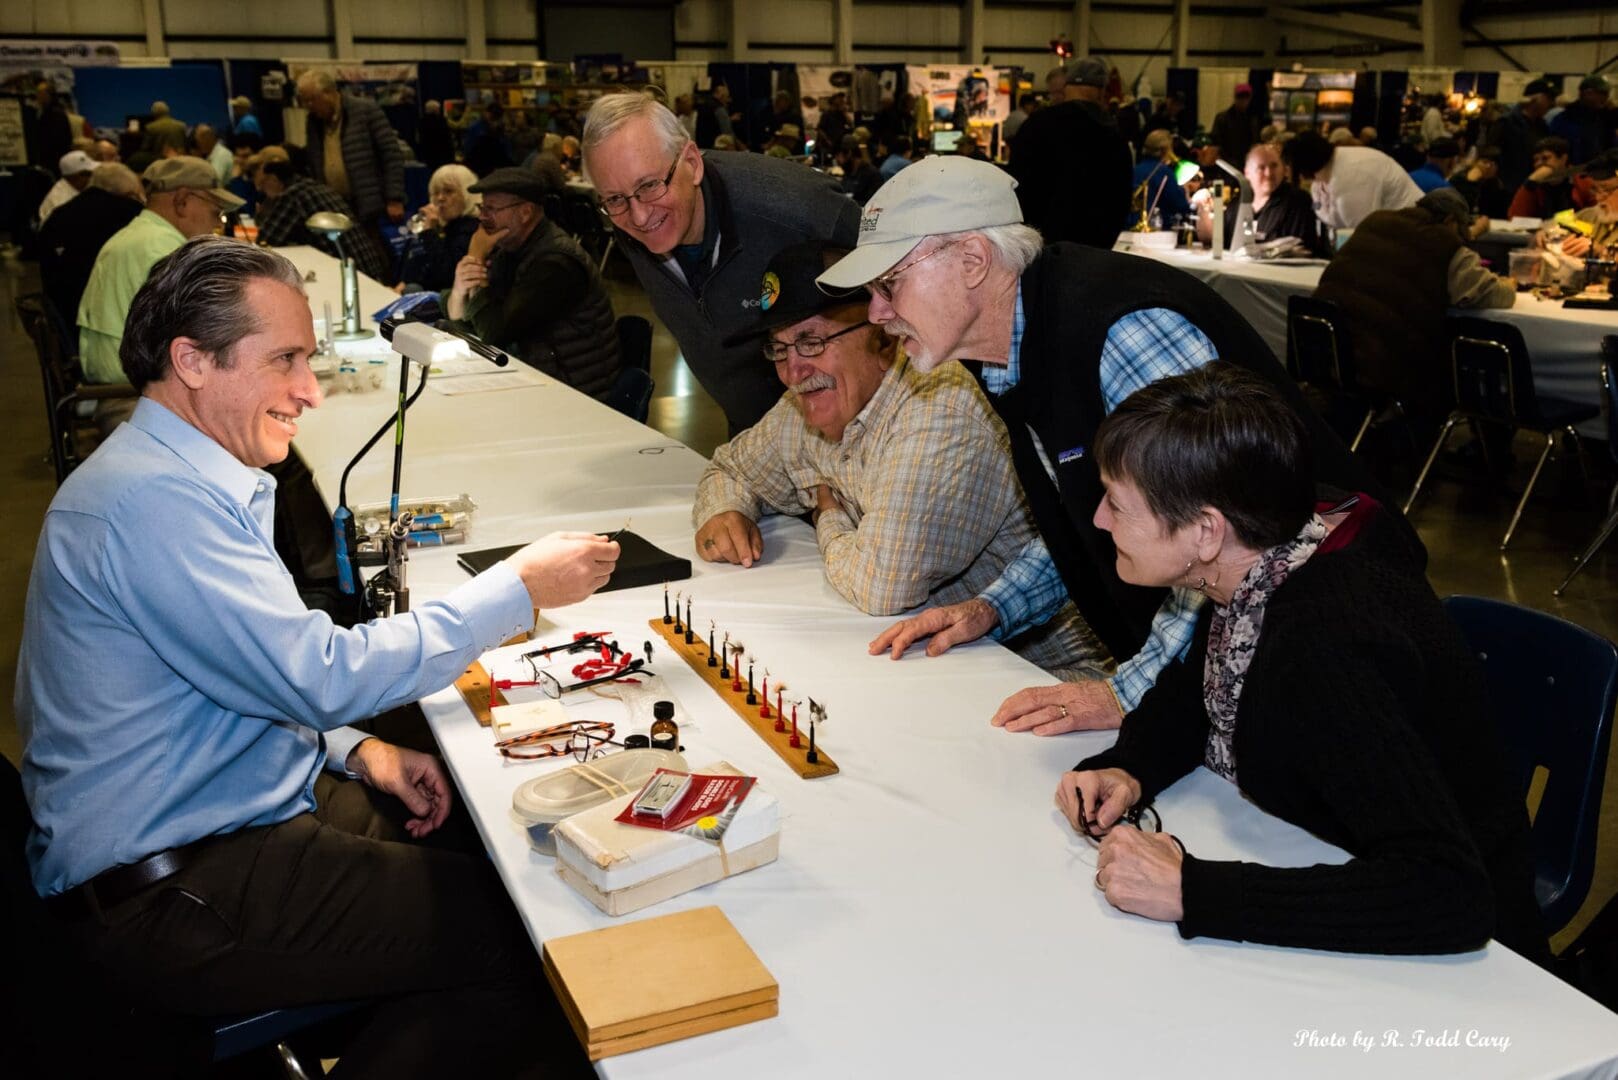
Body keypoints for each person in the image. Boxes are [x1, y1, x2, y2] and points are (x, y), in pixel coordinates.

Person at [19, 235, 620, 1077]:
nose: (309, 389)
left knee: (486, 848)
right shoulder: (150, 506)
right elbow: (320, 673)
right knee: (532, 942)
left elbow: (247, 671)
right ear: (192, 360)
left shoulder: (176, 474)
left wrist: (359, 750)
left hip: (216, 818)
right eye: (286, 360)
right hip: (174, 892)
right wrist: (518, 587)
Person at [820, 156, 1406, 735]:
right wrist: (993, 606)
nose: (876, 314)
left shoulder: (1121, 331)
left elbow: (1219, 545)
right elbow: (1096, 513)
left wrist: (1128, 691)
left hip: (1337, 661)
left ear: (973, 260)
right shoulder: (1008, 351)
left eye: (888, 284)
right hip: (1238, 670)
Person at [1060, 364, 1547, 963]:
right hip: (1324, 865)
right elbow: (1198, 694)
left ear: (1205, 531)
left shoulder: (1322, 644)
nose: (1099, 519)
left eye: (1116, 502)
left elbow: (1447, 891)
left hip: (1475, 963)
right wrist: (1130, 766)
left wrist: (1195, 891)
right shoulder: (1260, 569)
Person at [694, 242, 1107, 678]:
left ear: (882, 337)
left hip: (1037, 670)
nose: (791, 371)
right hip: (928, 660)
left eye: (811, 341)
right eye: (778, 349)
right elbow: (730, 469)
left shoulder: (940, 408)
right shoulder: (808, 404)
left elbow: (881, 585)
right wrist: (726, 508)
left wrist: (827, 514)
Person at [581, 92, 859, 434]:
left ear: (692, 163)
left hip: (843, 435)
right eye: (615, 199)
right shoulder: (629, 221)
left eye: (650, 185)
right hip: (749, 431)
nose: (639, 216)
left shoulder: (795, 210)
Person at [1314, 188, 1512, 415]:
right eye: (1462, 231)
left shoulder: (1376, 220)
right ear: (1450, 221)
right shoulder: (1444, 242)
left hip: (1326, 347)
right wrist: (1510, 286)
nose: (1463, 239)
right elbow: (1488, 293)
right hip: (1376, 358)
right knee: (1465, 373)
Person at [442, 162, 621, 400]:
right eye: (481, 207)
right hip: (537, 378)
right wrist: (457, 294)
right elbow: (472, 330)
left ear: (525, 212)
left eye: (492, 209)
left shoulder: (555, 264)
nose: (482, 217)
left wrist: (476, 257)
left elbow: (494, 333)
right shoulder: (510, 251)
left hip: (573, 395)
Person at [78, 157, 244, 386]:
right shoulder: (163, 248)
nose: (216, 224)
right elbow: (202, 330)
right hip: (129, 390)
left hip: (118, 374)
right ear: (182, 201)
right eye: (216, 212)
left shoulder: (141, 235)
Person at [1008, 67, 1133, 249]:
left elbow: (1017, 185)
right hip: (1092, 248)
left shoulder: (1037, 123)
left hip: (1039, 245)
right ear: (1101, 91)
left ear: (1065, 88)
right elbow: (1121, 196)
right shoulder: (1111, 132)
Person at [295, 70, 407, 230]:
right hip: (333, 205)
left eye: (312, 100)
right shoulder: (313, 122)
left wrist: (394, 199)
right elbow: (313, 161)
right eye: (304, 101)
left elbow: (391, 155)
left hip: (369, 205)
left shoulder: (366, 111)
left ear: (329, 93)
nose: (308, 106)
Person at [252, 158, 392, 282]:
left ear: (272, 179)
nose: (262, 192)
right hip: (370, 267)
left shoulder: (293, 196)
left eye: (262, 185)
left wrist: (267, 207)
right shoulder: (316, 186)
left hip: (351, 274)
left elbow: (267, 239)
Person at [39, 163, 144, 327]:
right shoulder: (132, 213)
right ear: (128, 193)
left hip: (62, 317)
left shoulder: (59, 214)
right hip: (112, 320)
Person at [1283, 129, 1422, 231]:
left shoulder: (1351, 174)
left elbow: (1361, 232)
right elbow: (1321, 211)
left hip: (1409, 230)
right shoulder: (1321, 179)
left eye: (1289, 167)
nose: (1286, 173)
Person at [398, 163, 481, 293]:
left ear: (467, 194)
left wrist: (429, 233)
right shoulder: (450, 227)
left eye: (449, 191)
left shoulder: (471, 229)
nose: (440, 198)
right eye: (436, 193)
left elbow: (446, 275)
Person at [1244, 142, 1327, 257]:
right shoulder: (1238, 205)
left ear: (1284, 170)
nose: (1268, 173)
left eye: (1274, 166)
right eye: (1261, 168)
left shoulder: (1298, 202)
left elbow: (1302, 250)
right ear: (1247, 173)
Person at [1489, 80, 1556, 192]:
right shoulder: (1507, 122)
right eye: (1548, 98)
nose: (1551, 103)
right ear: (1534, 99)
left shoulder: (1542, 125)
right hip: (1508, 188)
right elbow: (1491, 152)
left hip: (1532, 185)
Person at [1508, 135, 1596, 219]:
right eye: (1536, 160)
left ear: (1563, 159)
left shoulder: (1583, 182)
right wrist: (1529, 184)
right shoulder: (1534, 185)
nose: (1539, 164)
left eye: (1545, 158)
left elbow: (1596, 216)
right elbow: (1515, 217)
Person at [1557, 150, 1618, 261]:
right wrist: (1546, 234)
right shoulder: (1592, 215)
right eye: (1595, 190)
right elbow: (1557, 222)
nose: (1598, 198)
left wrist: (1601, 251)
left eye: (1606, 190)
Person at [1131, 129, 1193, 227]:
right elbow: (1181, 206)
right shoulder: (1163, 172)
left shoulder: (1134, 170)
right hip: (1156, 230)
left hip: (1129, 227)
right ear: (1166, 150)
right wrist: (1184, 192)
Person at [1550, 75, 1616, 164]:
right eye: (1603, 93)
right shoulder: (1564, 119)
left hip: (1602, 172)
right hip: (1573, 173)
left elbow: (1612, 147)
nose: (1607, 97)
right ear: (1588, 93)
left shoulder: (1604, 118)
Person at [1448, 144, 1510, 219]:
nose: (1488, 166)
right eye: (1485, 162)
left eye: (1493, 164)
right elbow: (1462, 207)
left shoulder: (1496, 185)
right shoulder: (1459, 179)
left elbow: (1500, 214)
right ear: (1475, 163)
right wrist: (1471, 182)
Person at [37, 149, 95, 223]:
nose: (92, 177)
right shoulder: (60, 201)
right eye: (88, 174)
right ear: (75, 177)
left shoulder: (75, 187)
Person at [1210, 83, 1261, 168]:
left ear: (1249, 99)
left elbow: (1255, 141)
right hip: (1227, 164)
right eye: (1240, 97)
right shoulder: (1222, 118)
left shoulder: (1252, 119)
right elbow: (1216, 142)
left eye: (1246, 98)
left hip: (1247, 162)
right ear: (1235, 98)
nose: (1243, 101)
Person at [835, 135, 883, 205]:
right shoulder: (848, 172)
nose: (837, 160)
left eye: (838, 156)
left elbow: (874, 204)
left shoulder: (872, 174)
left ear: (849, 153)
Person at [418, 98, 456, 169]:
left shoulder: (421, 123)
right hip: (442, 157)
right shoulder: (441, 122)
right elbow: (447, 140)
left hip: (428, 156)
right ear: (436, 110)